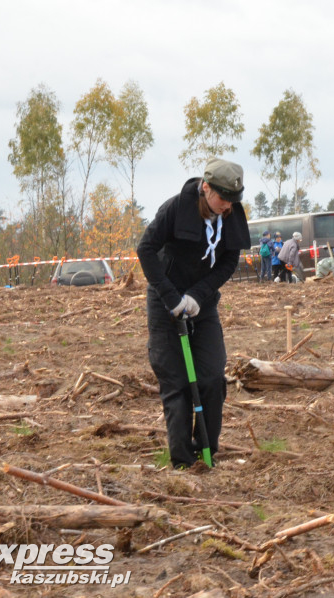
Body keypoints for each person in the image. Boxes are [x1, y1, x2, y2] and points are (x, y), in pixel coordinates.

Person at [136, 158, 249, 469]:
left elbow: (228, 263)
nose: (227, 206)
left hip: (202, 304)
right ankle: (183, 463)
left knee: (212, 378)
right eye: (223, 199)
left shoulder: (231, 214)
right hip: (165, 302)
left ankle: (207, 453)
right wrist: (172, 298)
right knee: (177, 384)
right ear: (206, 188)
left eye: (233, 201)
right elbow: (145, 249)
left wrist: (198, 296)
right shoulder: (174, 209)